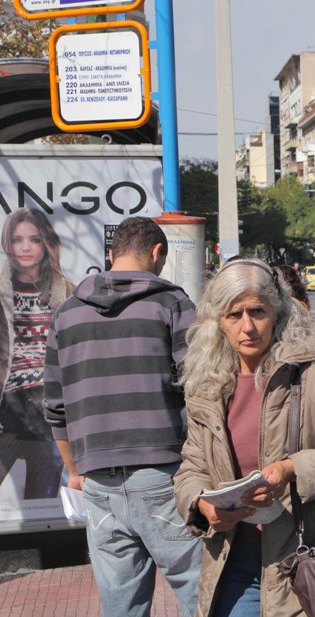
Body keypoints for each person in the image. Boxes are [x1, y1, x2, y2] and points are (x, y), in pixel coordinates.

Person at [173, 257, 315, 617]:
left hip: (310, 562)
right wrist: (202, 506)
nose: (247, 327)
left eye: (257, 311)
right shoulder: (206, 387)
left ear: (277, 312)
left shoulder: (314, 373)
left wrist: (291, 469)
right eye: (233, 315)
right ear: (217, 324)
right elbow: (191, 467)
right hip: (233, 564)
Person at [42, 216, 202, 617]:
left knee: (121, 605)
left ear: (111, 256)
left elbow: (54, 405)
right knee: (201, 589)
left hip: (96, 480)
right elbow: (200, 387)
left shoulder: (66, 314)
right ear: (156, 252)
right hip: (163, 472)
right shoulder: (171, 303)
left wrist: (74, 469)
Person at [0, 208, 73, 500]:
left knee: (43, 510)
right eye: (18, 240)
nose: (26, 247)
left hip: (50, 415)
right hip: (7, 412)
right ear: (8, 244)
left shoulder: (69, 294)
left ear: (47, 243)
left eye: (34, 239)